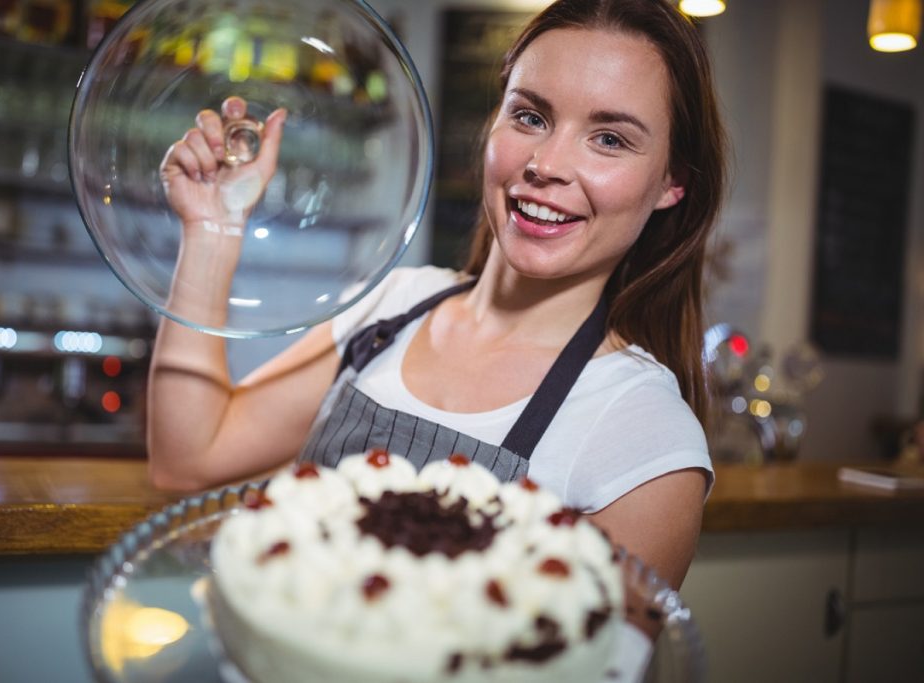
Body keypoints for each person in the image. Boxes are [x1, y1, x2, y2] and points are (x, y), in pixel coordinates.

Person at [149, 0, 726, 617]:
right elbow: (190, 457)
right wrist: (212, 228)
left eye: (609, 139)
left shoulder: (644, 434)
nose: (546, 165)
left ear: (673, 181)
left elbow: (589, 664)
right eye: (530, 116)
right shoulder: (395, 304)